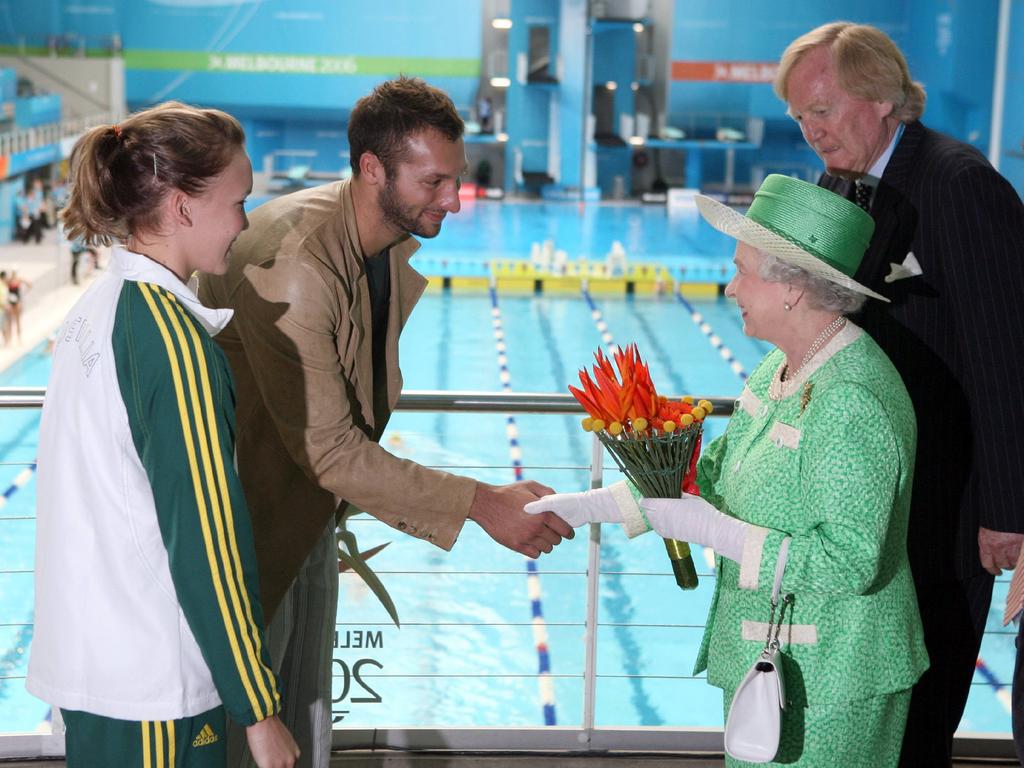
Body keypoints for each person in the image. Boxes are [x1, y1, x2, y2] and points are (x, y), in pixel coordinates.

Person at [198, 76, 572, 768]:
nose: (454, 200)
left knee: (305, 724)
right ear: (373, 170)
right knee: (248, 736)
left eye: (454, 180)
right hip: (242, 534)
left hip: (305, 514)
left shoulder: (377, 246)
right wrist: (484, 504)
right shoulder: (295, 263)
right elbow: (332, 447)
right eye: (434, 183)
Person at [527, 174, 929, 767]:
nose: (728, 285)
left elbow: (851, 559)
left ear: (792, 287)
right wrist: (591, 507)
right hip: (775, 668)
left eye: (742, 270)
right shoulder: (779, 370)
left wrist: (714, 533)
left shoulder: (851, 397)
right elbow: (707, 481)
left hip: (835, 680)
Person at [774, 22, 1024, 766]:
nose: (810, 130)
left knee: (924, 697)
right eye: (799, 117)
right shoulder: (839, 185)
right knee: (872, 698)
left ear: (882, 98)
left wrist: (1010, 511)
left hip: (949, 502)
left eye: (822, 109)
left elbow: (1007, 354)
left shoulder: (959, 183)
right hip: (874, 497)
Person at [28, 102, 300, 768]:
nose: (244, 222)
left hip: (98, 668)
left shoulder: (97, 310)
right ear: (181, 207)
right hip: (154, 684)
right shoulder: (173, 346)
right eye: (239, 202)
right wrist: (259, 709)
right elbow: (206, 538)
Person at [6, 270, 30, 345]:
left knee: (17, 321)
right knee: (10, 322)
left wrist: (25, 293)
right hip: (11, 303)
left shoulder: (18, 280)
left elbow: (29, 284)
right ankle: (9, 339)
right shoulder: (9, 281)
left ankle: (19, 339)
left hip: (17, 303)